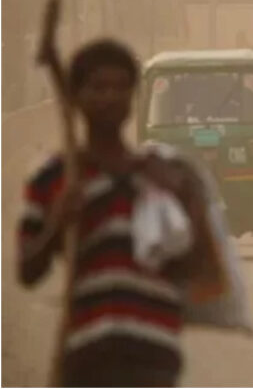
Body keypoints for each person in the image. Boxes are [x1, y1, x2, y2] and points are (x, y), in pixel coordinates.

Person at [17, 39, 211, 387]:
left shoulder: (159, 175)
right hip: (88, 355)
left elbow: (195, 269)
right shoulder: (53, 179)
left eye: (121, 87)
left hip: (155, 356)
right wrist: (57, 223)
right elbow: (28, 270)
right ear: (76, 96)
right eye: (99, 87)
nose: (111, 97)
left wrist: (191, 207)